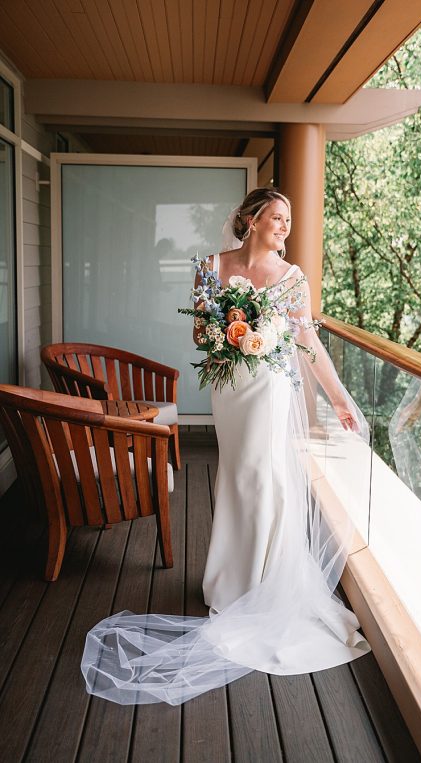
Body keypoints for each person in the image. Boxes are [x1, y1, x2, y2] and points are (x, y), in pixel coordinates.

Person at [81, 188, 370, 705]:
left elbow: (306, 341)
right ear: (251, 219)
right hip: (230, 387)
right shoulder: (210, 265)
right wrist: (231, 335)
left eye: (288, 220)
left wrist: (339, 398)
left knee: (264, 477)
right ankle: (228, 582)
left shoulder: (292, 278)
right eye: (276, 217)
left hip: (270, 388)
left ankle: (260, 586)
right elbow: (199, 331)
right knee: (238, 475)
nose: (284, 226)